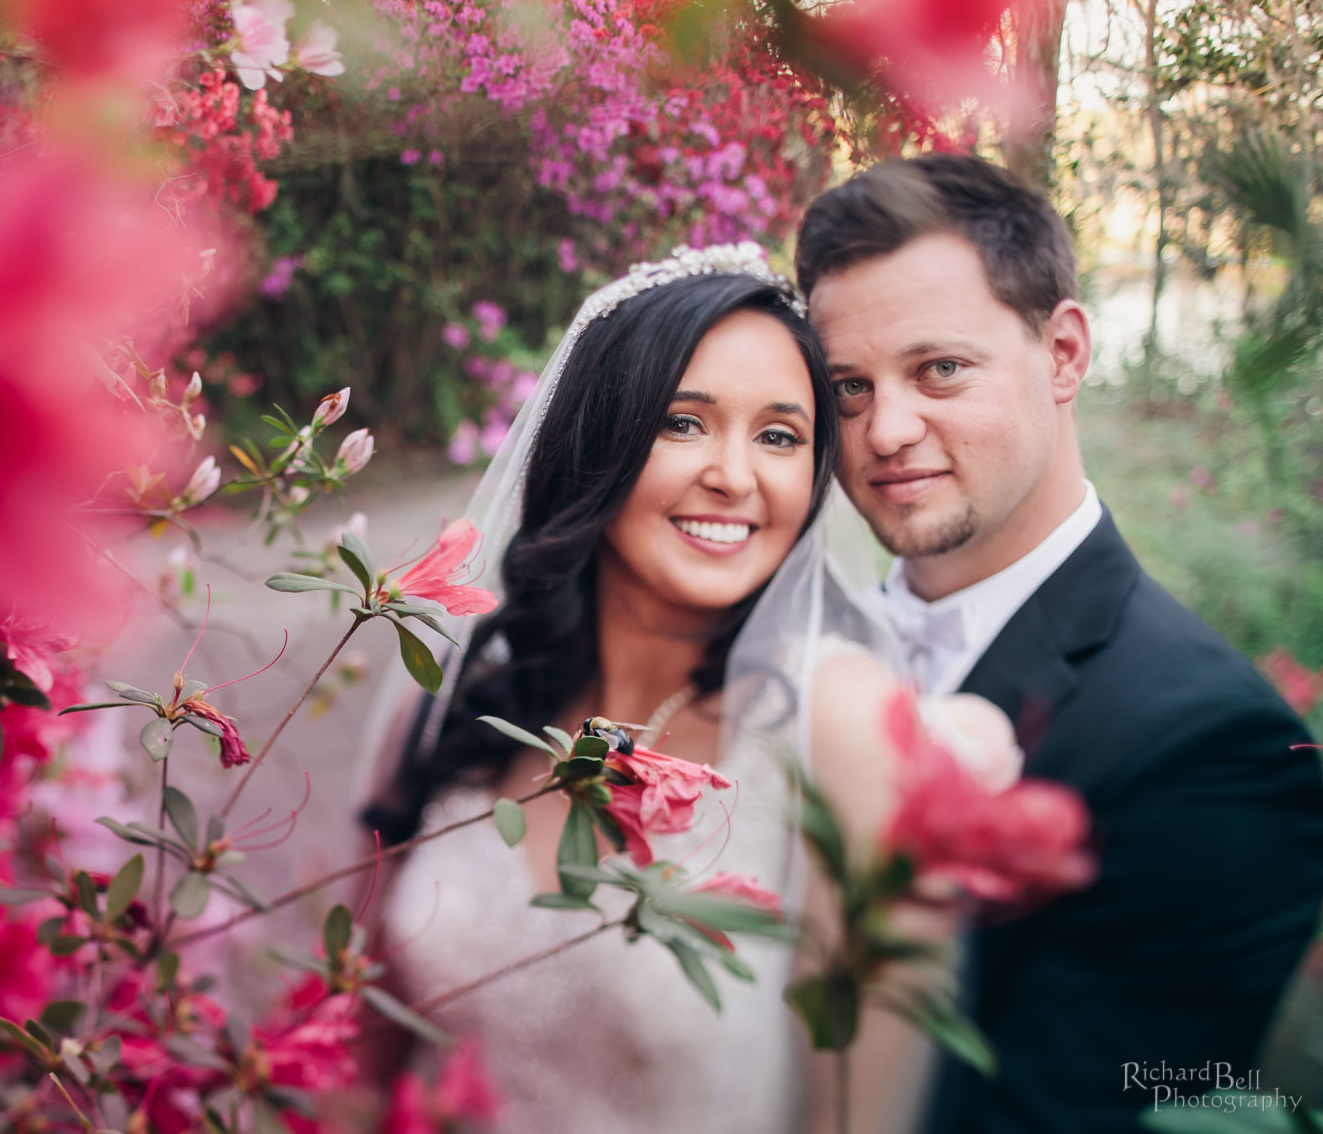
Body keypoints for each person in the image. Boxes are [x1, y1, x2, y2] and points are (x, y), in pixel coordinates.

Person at [794, 152, 1323, 1132]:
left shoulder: (1216, 751)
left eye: (939, 368)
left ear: (1065, 352)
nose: (885, 430)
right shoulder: (795, 644)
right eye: (849, 387)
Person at [358, 243, 852, 1133]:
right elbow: (356, 1064)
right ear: (599, 440)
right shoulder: (450, 720)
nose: (735, 476)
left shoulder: (814, 761)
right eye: (683, 422)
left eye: (779, 436)